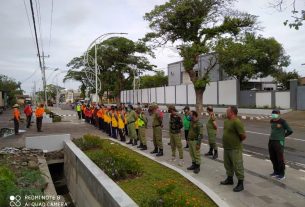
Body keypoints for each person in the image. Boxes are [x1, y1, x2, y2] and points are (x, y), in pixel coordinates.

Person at [220, 106, 246, 192]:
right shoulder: (226, 121)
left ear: (232, 112)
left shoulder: (237, 122)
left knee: (238, 166)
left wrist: (236, 142)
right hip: (227, 147)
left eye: (227, 111)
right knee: (228, 165)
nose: (226, 112)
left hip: (235, 148)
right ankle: (230, 179)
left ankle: (240, 183)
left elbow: (243, 136)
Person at [268, 109, 293, 180]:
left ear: (279, 114)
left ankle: (282, 174)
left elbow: (290, 131)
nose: (273, 115)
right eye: (273, 114)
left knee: (280, 158)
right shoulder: (272, 121)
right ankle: (276, 172)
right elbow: (273, 129)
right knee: (272, 157)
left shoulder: (283, 122)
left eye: (275, 113)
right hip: (271, 140)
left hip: (279, 141)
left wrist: (283, 136)